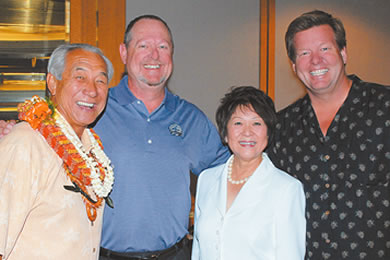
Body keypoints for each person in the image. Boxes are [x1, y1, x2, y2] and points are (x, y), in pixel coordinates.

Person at [94, 15, 230, 260]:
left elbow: (230, 173)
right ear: (124, 53)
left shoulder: (191, 119)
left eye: (163, 47)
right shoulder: (97, 109)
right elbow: (50, 145)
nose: (154, 55)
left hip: (175, 255)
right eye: (143, 45)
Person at [268, 10, 390, 260]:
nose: (315, 61)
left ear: (343, 53)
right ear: (293, 65)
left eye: (324, 49)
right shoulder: (280, 127)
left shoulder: (384, 106)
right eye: (304, 54)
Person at [0, 43, 114, 260]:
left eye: (101, 80)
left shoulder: (91, 151)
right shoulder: (25, 144)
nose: (92, 90)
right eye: (80, 77)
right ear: (52, 82)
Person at [192, 86, 306, 260]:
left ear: (268, 132)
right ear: (225, 132)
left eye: (257, 123)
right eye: (238, 123)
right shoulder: (207, 180)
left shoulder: (286, 189)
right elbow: (198, 251)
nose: (247, 132)